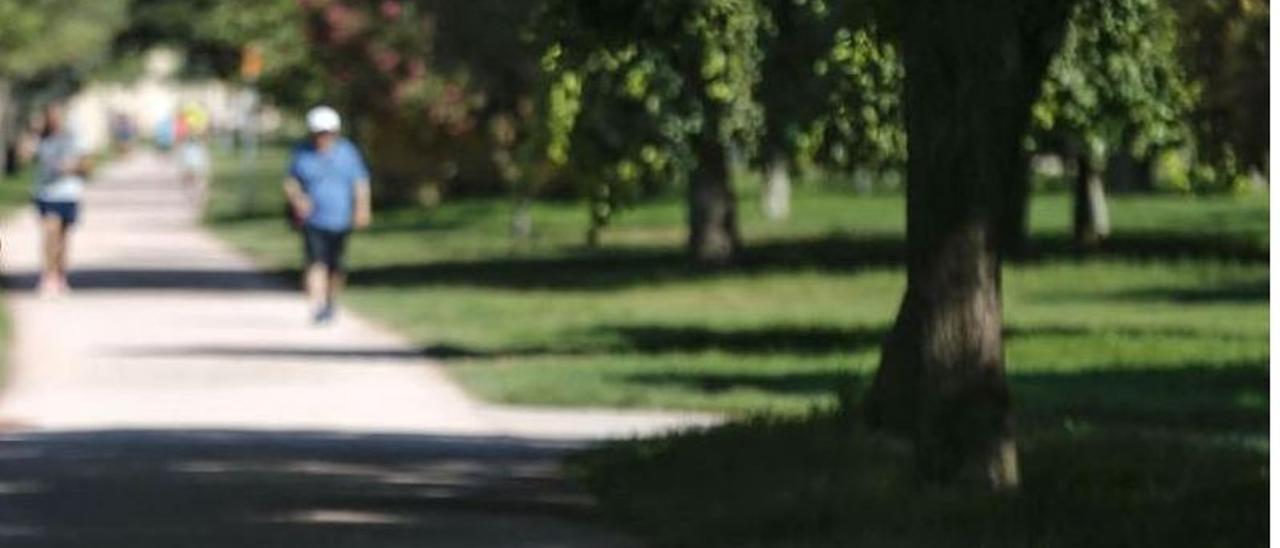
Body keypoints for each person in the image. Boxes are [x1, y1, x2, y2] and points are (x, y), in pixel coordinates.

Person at [283, 106, 372, 324]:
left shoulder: (347, 152)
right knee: (316, 262)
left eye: (327, 133)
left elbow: (360, 182)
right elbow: (290, 181)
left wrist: (362, 208)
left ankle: (331, 302)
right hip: (312, 219)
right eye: (318, 133)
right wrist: (298, 199)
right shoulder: (302, 153)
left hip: (340, 219)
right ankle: (317, 306)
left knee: (336, 266)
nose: (322, 137)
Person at [29, 104, 91, 297]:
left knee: (63, 238)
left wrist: (72, 168)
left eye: (58, 116)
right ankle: (48, 275)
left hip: (69, 193)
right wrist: (32, 132)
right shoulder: (41, 137)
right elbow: (25, 155)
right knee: (50, 232)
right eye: (51, 116)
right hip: (45, 192)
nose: (55, 120)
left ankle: (60, 274)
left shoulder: (75, 138)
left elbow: (88, 166)